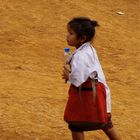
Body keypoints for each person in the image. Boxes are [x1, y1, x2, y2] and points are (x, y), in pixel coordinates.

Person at [62, 17, 121, 140]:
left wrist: (68, 75)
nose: (67, 36)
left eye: (71, 33)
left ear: (82, 38)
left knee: (75, 125)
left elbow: (78, 79)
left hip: (90, 94)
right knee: (106, 123)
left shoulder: (82, 55)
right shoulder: (88, 49)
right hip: (97, 92)